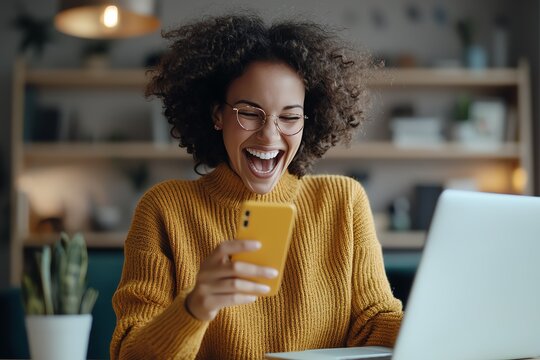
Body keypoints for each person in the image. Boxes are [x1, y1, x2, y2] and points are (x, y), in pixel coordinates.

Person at [110, 12, 403, 360]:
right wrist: (194, 307)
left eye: (290, 117)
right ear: (218, 115)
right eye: (250, 112)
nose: (269, 134)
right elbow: (130, 353)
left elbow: (374, 323)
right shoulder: (164, 209)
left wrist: (444, 324)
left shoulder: (344, 201)